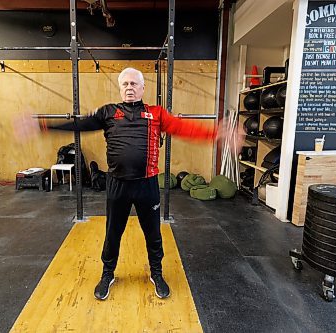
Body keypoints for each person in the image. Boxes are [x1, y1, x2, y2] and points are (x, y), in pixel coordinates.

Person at [21, 67, 243, 300]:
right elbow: (79, 125)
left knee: (153, 233)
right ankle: (108, 273)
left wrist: (216, 135)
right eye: (125, 84)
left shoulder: (156, 113)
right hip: (118, 185)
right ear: (120, 87)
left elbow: (182, 128)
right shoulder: (108, 112)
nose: (129, 88)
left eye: (134, 84)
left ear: (143, 88)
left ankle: (156, 273)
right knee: (113, 232)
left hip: (147, 186)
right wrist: (41, 125)